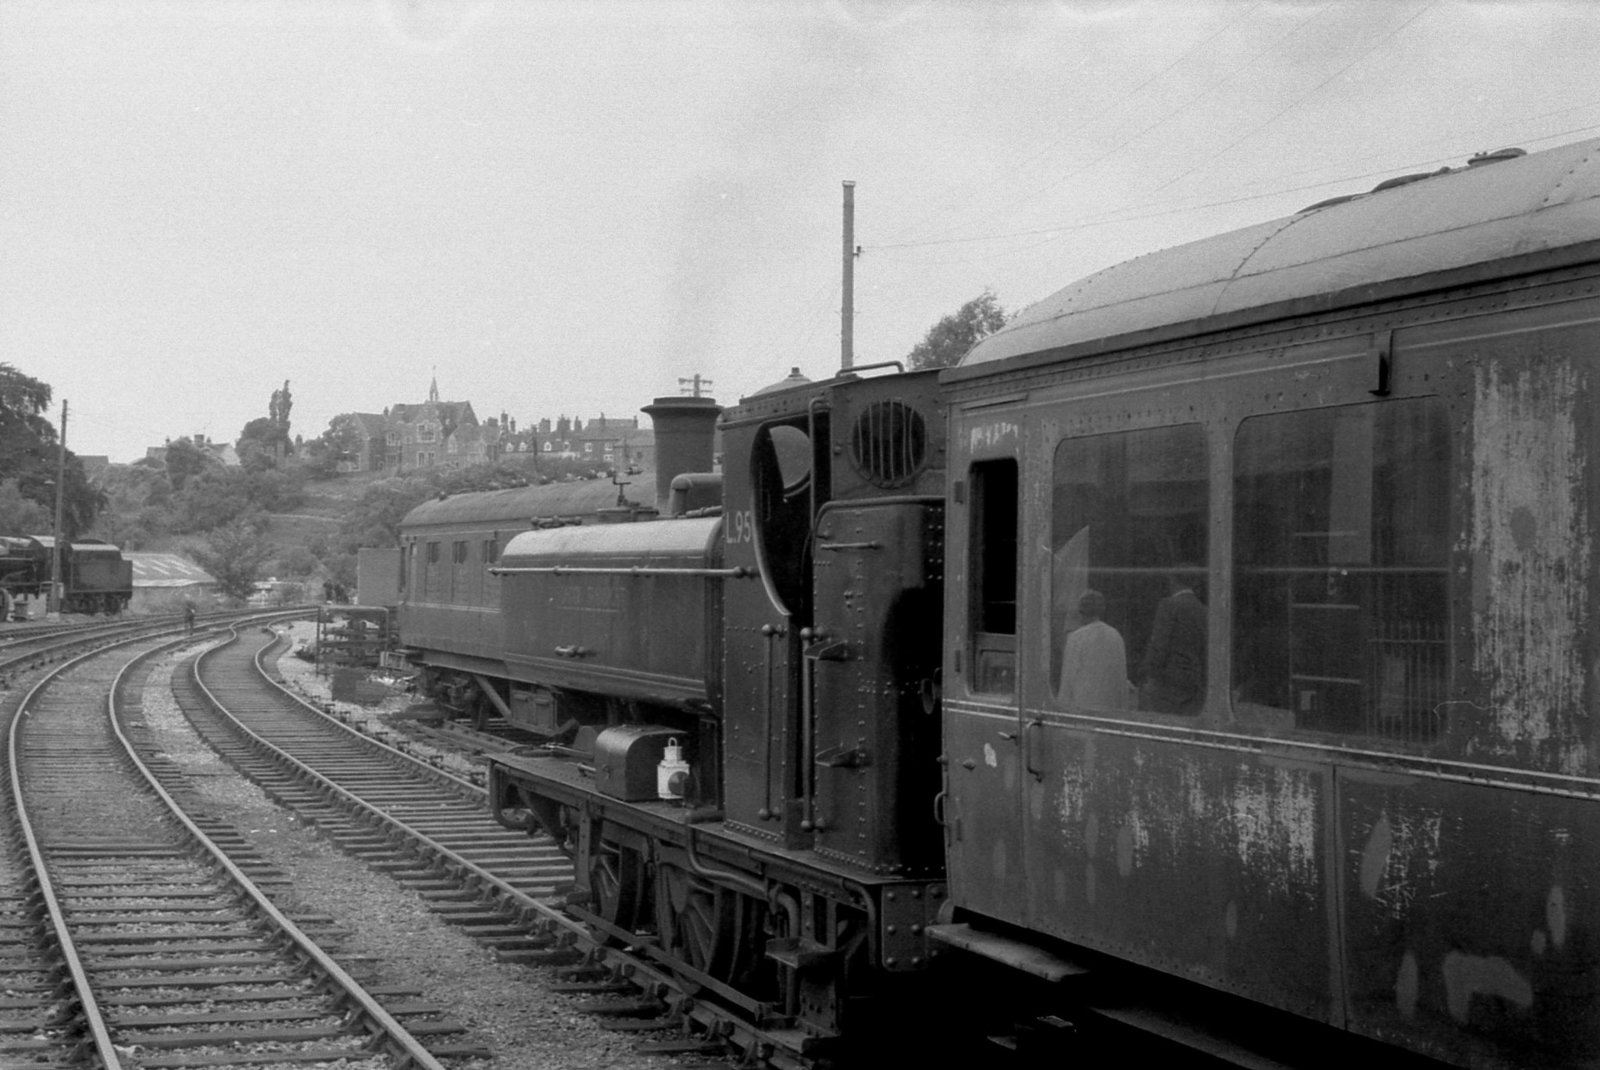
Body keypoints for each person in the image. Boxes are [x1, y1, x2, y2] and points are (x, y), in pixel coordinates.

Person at [1139, 569, 1207, 715]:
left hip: (1166, 684)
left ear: (1173, 580)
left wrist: (1148, 672)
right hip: (1193, 684)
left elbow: (1159, 644)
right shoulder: (1204, 611)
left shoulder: (1168, 605)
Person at [1057, 590, 1132, 710]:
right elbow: (1121, 676)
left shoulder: (1076, 638)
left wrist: (1061, 710)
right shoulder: (1115, 636)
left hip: (1082, 708)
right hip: (1110, 708)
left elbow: (1068, 679)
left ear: (1080, 611)